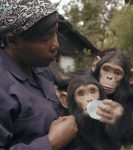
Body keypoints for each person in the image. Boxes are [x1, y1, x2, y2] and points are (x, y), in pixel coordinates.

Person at [0, 0, 77, 150]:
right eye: (45, 38)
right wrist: (51, 142)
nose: (56, 45)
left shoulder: (39, 68)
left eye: (55, 33)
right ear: (12, 41)